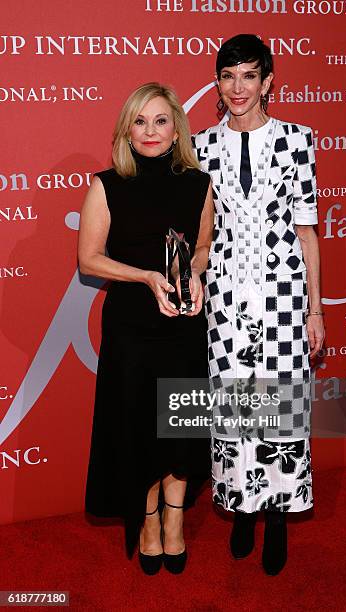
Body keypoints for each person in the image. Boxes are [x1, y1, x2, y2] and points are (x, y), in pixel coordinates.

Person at [192, 34, 325, 575]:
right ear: (219, 85)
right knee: (234, 408)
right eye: (228, 76)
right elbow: (200, 233)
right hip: (225, 297)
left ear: (268, 81)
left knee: (283, 409)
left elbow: (308, 232)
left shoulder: (297, 139)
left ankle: (275, 515)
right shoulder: (199, 146)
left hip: (284, 296)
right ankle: (242, 507)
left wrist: (316, 310)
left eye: (249, 75)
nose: (238, 87)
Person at [79, 82, 213, 575]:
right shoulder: (107, 184)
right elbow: (89, 260)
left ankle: (175, 521)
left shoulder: (198, 184)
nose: (151, 131)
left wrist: (195, 273)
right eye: (141, 121)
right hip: (133, 330)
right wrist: (145, 276)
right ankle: (149, 521)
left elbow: (200, 247)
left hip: (183, 325)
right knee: (140, 430)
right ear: (127, 132)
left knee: (179, 428)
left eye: (161, 120)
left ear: (176, 126)